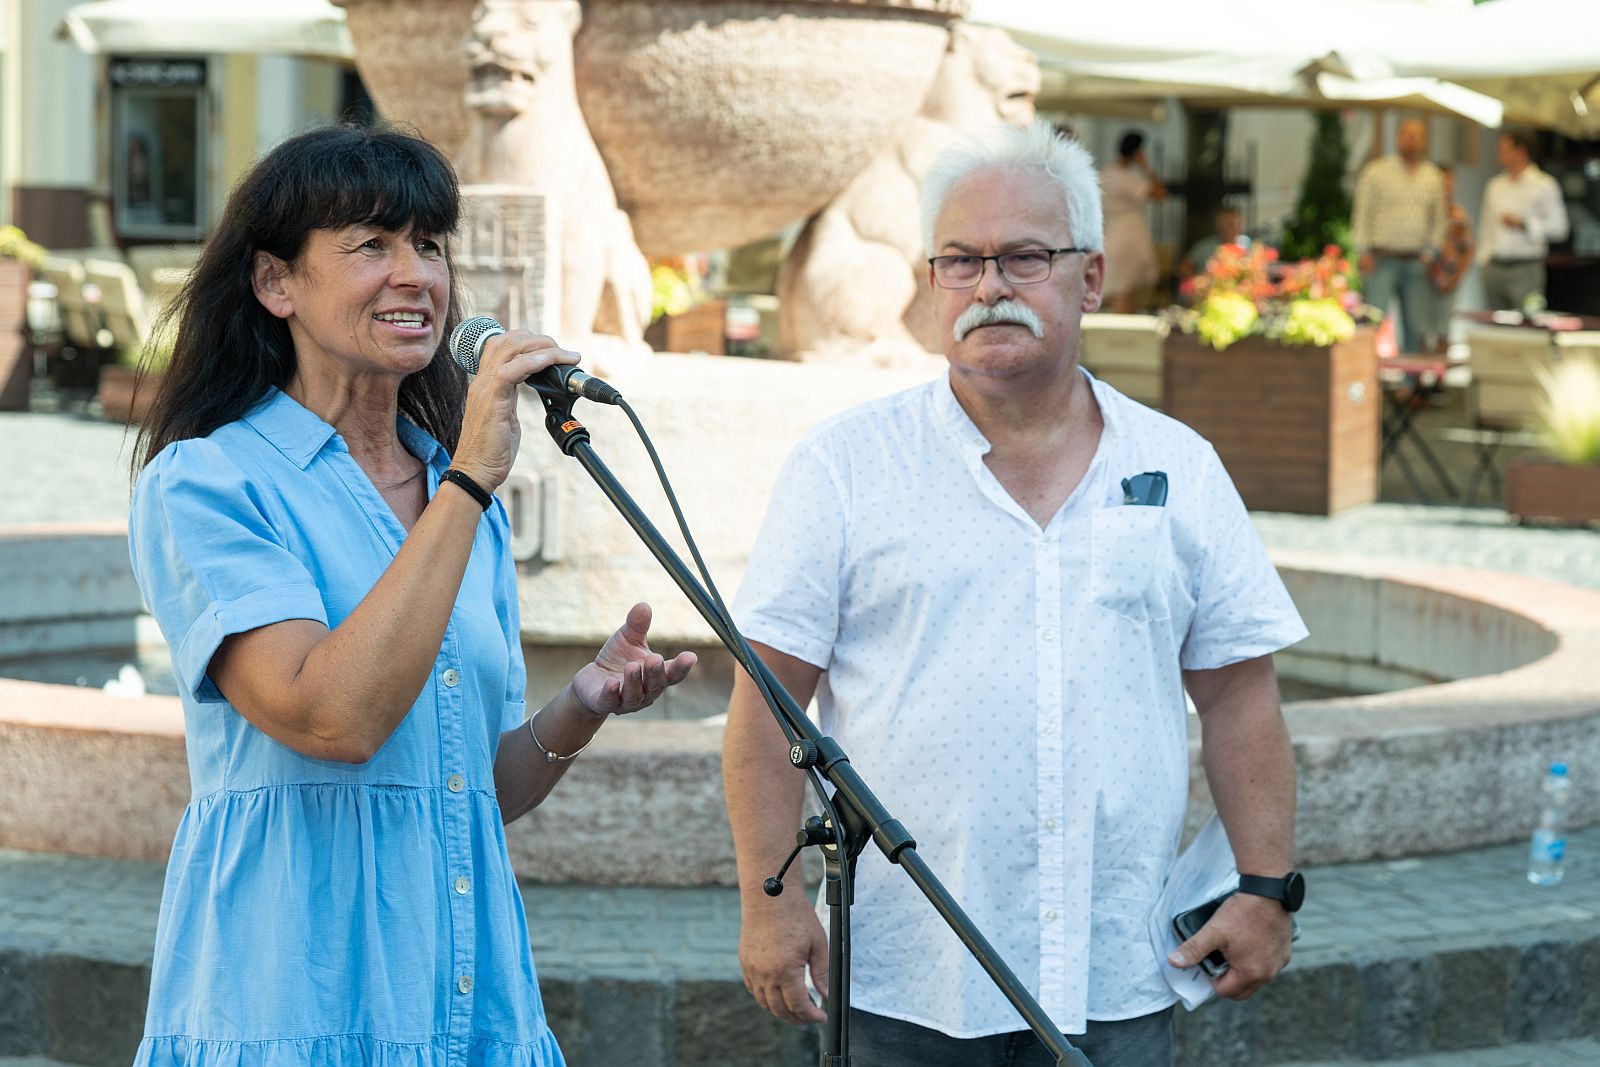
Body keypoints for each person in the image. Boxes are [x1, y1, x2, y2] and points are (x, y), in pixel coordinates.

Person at [723, 120, 1307, 1067]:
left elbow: (1241, 694)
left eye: (1025, 257)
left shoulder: (1180, 466)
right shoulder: (844, 467)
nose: (989, 286)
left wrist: (1266, 884)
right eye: (961, 260)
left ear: (1090, 279)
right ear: (933, 282)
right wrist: (770, 899)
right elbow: (766, 704)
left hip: (1113, 969)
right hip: (905, 977)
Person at [126, 125, 697, 1065]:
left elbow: (471, 788)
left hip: (470, 1010)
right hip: (293, 1007)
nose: (416, 275)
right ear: (275, 283)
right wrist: (470, 480)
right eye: (371, 245)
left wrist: (582, 704)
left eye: (430, 244)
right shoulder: (210, 484)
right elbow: (333, 719)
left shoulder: (455, 498)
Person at [1351, 117, 1446, 354]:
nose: (1411, 140)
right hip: (1381, 258)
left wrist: (1430, 253)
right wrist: (1363, 250)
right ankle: (1367, 371)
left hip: (1415, 260)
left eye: (1417, 136)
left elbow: (1439, 219)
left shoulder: (1432, 176)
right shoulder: (1377, 171)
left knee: (1415, 325)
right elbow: (1362, 212)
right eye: (1407, 134)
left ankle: (1410, 377)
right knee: (1373, 320)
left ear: (1424, 140)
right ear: (1398, 137)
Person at [1477, 129, 1570, 313]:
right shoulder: (1495, 186)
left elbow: (1560, 229)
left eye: (1503, 150)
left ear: (1520, 152)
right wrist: (1483, 260)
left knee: (1528, 321)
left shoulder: (1544, 185)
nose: (1498, 154)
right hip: (1495, 267)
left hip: (1526, 269)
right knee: (1495, 323)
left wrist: (1525, 224)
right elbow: (1485, 226)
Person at [1098, 130, 1167, 314]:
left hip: (1110, 232)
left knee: (1117, 286)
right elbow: (1160, 193)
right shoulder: (1128, 178)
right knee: (1124, 289)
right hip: (1129, 234)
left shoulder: (1105, 173)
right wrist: (1145, 166)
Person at [1422, 164, 1474, 355]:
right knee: (1421, 329)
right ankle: (1421, 370)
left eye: (1449, 183)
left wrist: (1456, 277)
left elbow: (1468, 250)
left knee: (1443, 331)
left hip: (1448, 280)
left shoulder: (1458, 215)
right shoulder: (1422, 214)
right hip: (1423, 278)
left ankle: (1440, 370)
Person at [1178, 205, 1251, 285]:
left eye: (1232, 223)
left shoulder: (1249, 247)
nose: (1229, 228)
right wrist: (1198, 280)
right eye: (1225, 223)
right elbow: (1184, 268)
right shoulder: (1205, 246)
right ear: (1218, 225)